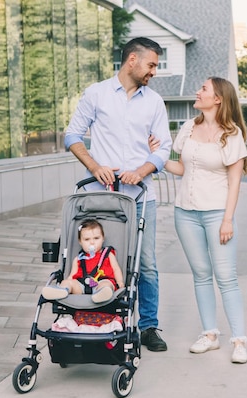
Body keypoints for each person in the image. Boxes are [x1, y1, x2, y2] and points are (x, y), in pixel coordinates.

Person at [64, 37, 173, 351]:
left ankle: (148, 326)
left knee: (146, 263)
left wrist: (140, 171)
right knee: (101, 258)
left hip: (140, 197)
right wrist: (95, 166)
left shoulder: (154, 102)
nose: (154, 71)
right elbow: (71, 135)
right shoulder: (96, 94)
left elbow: (164, 148)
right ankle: (101, 317)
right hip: (102, 197)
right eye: (151, 64)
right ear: (133, 60)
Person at [159, 76, 247, 364]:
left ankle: (238, 341)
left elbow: (234, 181)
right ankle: (210, 335)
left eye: (203, 89)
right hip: (185, 212)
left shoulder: (232, 134)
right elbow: (183, 168)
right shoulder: (189, 127)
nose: (197, 92)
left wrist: (228, 220)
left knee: (226, 278)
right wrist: (157, 157)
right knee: (201, 275)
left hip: (216, 214)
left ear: (218, 99)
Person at [42, 219, 124, 303]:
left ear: (103, 238)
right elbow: (72, 275)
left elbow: (116, 269)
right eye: (87, 239)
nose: (92, 242)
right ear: (80, 242)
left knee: (107, 284)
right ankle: (62, 290)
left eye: (96, 238)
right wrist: (67, 282)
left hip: (101, 281)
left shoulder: (108, 255)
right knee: (68, 282)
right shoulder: (79, 259)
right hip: (82, 285)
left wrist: (120, 282)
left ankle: (101, 294)